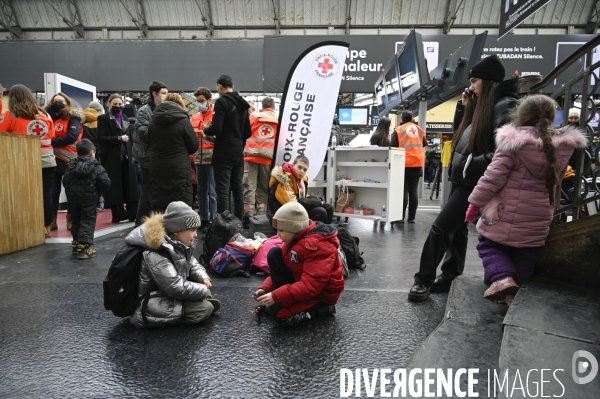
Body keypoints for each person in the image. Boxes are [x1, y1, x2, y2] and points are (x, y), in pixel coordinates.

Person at [408, 54, 519, 301]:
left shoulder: (504, 106)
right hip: (467, 180)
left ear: (489, 82)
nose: (471, 86)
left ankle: (422, 280)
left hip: (474, 182)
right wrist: (463, 108)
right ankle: (449, 276)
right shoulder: (484, 105)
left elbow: (505, 150)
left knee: (440, 228)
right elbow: (463, 137)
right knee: (457, 231)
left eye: (475, 80)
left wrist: (471, 165)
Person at [465, 95, 587, 306]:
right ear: (551, 118)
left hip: (507, 213)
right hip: (540, 215)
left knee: (488, 245)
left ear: (519, 118)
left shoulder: (513, 145)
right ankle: (513, 291)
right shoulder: (560, 147)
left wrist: (475, 204)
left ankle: (503, 280)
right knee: (526, 252)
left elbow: (491, 179)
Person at [125, 201, 221, 328]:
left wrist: (203, 277)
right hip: (154, 302)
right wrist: (202, 289)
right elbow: (174, 287)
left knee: (205, 294)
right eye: (193, 230)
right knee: (205, 308)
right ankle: (190, 310)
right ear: (177, 230)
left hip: (167, 294)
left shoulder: (177, 243)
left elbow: (191, 263)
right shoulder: (155, 252)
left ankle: (198, 303)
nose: (196, 234)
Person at [254, 202, 343, 326]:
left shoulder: (316, 246)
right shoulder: (295, 238)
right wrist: (265, 289)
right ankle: (285, 301)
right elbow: (287, 267)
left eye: (281, 230)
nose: (277, 235)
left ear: (293, 228)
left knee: (280, 314)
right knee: (274, 253)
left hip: (321, 294)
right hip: (301, 282)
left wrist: (275, 296)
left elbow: (311, 287)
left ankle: (323, 309)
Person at [0, 84, 56, 237]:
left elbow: (2, 135)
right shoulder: (45, 115)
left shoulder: (10, 114)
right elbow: (51, 136)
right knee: (46, 194)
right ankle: (46, 227)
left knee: (23, 194)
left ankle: (26, 228)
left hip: (23, 162)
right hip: (47, 161)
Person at [203, 75, 252, 221]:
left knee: (222, 191)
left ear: (219, 87)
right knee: (238, 190)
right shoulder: (243, 104)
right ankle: (238, 222)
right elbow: (248, 132)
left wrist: (206, 129)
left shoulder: (222, 102)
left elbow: (217, 128)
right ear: (233, 87)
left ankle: (223, 225)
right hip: (238, 153)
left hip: (223, 153)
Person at [147, 93, 198, 213]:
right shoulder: (183, 120)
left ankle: (160, 230)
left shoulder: (153, 120)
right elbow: (193, 146)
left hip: (157, 166)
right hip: (178, 167)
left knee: (160, 201)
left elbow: (149, 142)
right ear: (180, 105)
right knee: (181, 203)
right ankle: (179, 230)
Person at [63, 139, 111, 260]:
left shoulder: (70, 165)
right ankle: (85, 249)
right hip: (89, 199)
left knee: (76, 221)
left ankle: (76, 245)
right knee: (87, 222)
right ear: (92, 152)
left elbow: (65, 181)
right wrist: (99, 192)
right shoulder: (96, 166)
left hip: (73, 199)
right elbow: (105, 183)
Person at [97, 94, 139, 223]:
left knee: (130, 186)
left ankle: (132, 214)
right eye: (115, 104)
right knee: (115, 187)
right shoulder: (103, 118)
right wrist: (118, 139)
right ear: (109, 104)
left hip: (127, 157)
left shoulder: (126, 118)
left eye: (120, 104)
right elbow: (100, 138)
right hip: (111, 158)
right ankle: (118, 215)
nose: (118, 106)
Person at [47, 92, 85, 232]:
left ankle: (71, 219)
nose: (58, 103)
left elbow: (72, 136)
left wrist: (50, 142)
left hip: (69, 160)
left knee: (71, 192)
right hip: (52, 159)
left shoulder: (73, 117)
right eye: (55, 101)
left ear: (67, 103)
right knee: (52, 192)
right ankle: (51, 221)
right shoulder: (47, 117)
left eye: (61, 101)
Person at [133, 80, 168, 226]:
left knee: (157, 191)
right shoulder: (144, 111)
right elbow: (143, 133)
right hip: (148, 158)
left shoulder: (163, 109)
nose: (166, 96)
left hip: (160, 157)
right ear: (154, 94)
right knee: (148, 191)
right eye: (163, 93)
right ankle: (140, 223)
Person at [268, 155, 334, 224]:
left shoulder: (300, 180)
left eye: (305, 170)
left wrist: (316, 199)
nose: (302, 171)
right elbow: (292, 204)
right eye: (299, 167)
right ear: (293, 166)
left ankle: (326, 233)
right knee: (320, 212)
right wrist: (315, 202)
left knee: (329, 208)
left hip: (295, 209)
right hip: (281, 215)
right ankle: (316, 233)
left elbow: (303, 196)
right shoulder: (284, 180)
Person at [243, 96, 278, 218]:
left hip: (251, 156)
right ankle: (262, 214)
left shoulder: (253, 116)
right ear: (273, 107)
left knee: (250, 186)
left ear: (262, 107)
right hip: (267, 157)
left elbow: (244, 132)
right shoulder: (279, 119)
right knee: (263, 188)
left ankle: (249, 214)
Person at [390, 110, 426, 223]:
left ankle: (400, 217)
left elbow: (393, 146)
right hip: (417, 163)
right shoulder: (419, 129)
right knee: (413, 191)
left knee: (404, 191)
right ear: (412, 118)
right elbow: (424, 143)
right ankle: (412, 218)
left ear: (402, 119)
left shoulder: (398, 130)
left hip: (403, 164)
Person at [191, 87, 217, 230]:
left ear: (209, 100)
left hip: (212, 158)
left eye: (202, 101)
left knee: (212, 191)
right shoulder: (194, 117)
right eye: (198, 101)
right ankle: (204, 219)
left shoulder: (215, 115)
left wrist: (206, 135)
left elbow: (219, 137)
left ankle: (214, 219)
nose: (200, 103)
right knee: (201, 191)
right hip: (199, 158)